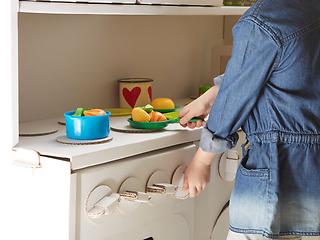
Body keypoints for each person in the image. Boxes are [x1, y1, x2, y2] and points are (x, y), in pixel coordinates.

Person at [178, 0, 320, 239]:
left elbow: (236, 95)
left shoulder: (264, 20)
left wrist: (202, 161)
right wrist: (212, 95)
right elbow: (275, 64)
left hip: (275, 174)